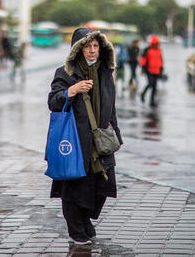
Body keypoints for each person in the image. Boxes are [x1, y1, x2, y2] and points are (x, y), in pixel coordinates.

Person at [48, 28, 123, 245]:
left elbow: (111, 106)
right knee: (74, 186)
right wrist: (71, 91)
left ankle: (85, 218)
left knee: (101, 184)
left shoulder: (105, 72)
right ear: (78, 49)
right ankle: (76, 227)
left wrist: (115, 134)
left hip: (100, 139)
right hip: (75, 140)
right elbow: (53, 102)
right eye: (87, 46)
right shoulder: (65, 73)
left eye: (96, 46)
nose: (92, 51)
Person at [140, 35, 164, 107]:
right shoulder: (147, 50)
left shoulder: (159, 50)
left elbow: (161, 60)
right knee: (150, 83)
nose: (157, 45)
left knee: (154, 86)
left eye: (158, 44)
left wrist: (161, 69)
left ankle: (152, 101)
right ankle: (143, 93)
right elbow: (143, 60)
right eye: (156, 43)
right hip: (149, 70)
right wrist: (143, 69)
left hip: (157, 70)